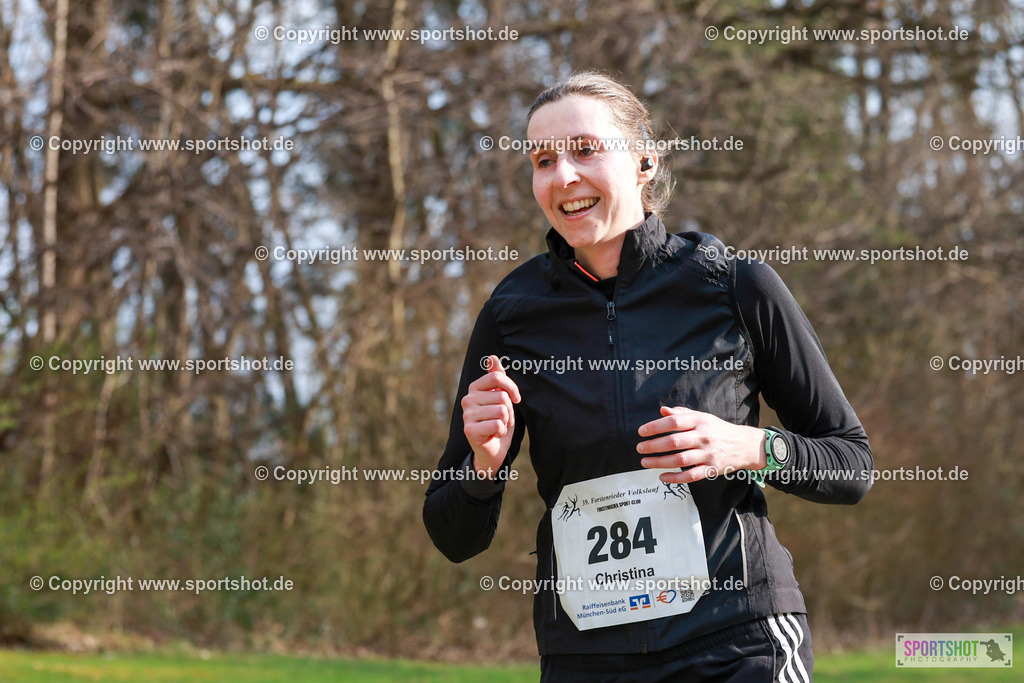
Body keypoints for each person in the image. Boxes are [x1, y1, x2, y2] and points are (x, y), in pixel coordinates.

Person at [422, 70, 872, 682]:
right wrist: (482, 465)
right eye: (543, 160)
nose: (564, 177)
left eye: (585, 151)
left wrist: (750, 447)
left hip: (735, 642)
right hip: (587, 658)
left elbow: (850, 465)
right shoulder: (512, 314)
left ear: (643, 162)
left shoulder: (733, 285)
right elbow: (454, 536)